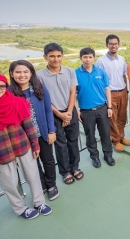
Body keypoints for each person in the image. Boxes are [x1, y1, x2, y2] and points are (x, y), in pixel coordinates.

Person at [0, 73, 52, 219]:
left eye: (2, 86)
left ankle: (39, 202)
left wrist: (35, 145)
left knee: (33, 176)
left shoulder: (17, 102)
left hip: (22, 146)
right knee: (9, 183)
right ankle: (20, 208)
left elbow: (28, 125)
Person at [9, 60, 60, 201]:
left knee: (48, 160)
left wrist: (51, 130)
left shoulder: (38, 87)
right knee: (32, 164)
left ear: (31, 73)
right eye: (18, 72)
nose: (22, 75)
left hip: (42, 133)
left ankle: (51, 185)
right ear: (12, 74)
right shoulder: (9, 93)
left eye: (26, 71)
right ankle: (41, 185)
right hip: (24, 137)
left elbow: (48, 110)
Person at [37, 43, 83, 185]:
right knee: (60, 144)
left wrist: (69, 112)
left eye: (58, 56)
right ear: (45, 57)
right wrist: (60, 114)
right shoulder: (39, 76)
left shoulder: (69, 71)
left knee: (73, 141)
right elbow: (43, 98)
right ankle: (65, 171)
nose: (55, 59)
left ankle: (75, 167)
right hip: (53, 114)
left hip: (70, 111)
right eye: (51, 56)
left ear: (62, 56)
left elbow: (72, 92)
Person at [75, 48, 115, 168]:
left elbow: (107, 89)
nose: (88, 59)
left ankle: (108, 155)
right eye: (85, 57)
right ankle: (95, 157)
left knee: (105, 134)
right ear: (81, 58)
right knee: (90, 135)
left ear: (94, 58)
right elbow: (73, 93)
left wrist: (109, 107)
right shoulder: (75, 73)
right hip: (86, 111)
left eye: (90, 57)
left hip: (102, 108)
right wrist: (76, 109)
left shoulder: (101, 72)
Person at [96, 34, 130, 151]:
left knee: (122, 117)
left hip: (122, 91)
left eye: (115, 44)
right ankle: (115, 140)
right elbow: (99, 80)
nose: (113, 46)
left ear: (118, 45)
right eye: (111, 44)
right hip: (110, 93)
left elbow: (123, 75)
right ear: (107, 45)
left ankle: (121, 137)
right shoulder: (101, 61)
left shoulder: (121, 59)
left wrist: (126, 90)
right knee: (113, 118)